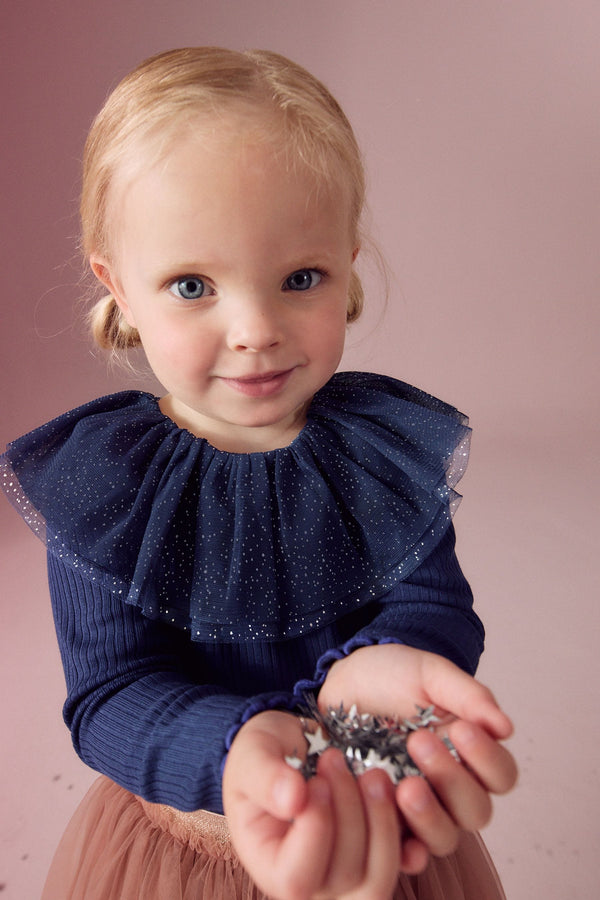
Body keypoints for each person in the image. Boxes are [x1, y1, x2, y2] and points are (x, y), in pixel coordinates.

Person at [1, 47, 517, 900]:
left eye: (299, 278)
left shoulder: (377, 450)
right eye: (192, 284)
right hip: (191, 840)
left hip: (367, 792)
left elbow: (432, 603)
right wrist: (240, 749)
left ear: (347, 262)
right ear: (119, 288)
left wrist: (383, 665)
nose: (255, 328)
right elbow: (110, 694)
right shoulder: (107, 485)